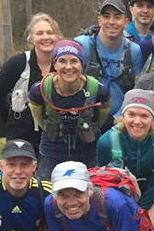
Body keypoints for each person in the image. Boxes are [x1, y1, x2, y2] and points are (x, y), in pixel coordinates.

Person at [27, 40, 111, 180]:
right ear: (54, 64)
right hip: (51, 149)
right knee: (46, 192)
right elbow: (39, 119)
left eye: (74, 61)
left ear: (82, 64)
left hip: (87, 150)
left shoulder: (99, 91)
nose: (68, 67)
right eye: (62, 61)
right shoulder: (40, 90)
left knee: (89, 191)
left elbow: (102, 119)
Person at [97, 89, 154, 231]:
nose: (137, 121)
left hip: (150, 195)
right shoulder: (106, 142)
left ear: (153, 119)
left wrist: (140, 209)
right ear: (122, 116)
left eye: (144, 116)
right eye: (131, 114)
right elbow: (102, 182)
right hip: (118, 195)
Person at [0, 13, 62, 153]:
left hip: (56, 138)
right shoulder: (18, 63)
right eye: (39, 33)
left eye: (50, 32)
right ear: (31, 38)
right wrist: (12, 118)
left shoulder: (65, 64)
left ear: (57, 36)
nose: (45, 37)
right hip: (21, 139)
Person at [75, 0, 144, 116]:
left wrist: (120, 117)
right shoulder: (82, 45)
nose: (111, 22)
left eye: (117, 17)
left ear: (126, 22)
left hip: (122, 119)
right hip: (86, 116)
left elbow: (137, 91)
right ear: (99, 20)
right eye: (106, 17)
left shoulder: (134, 50)